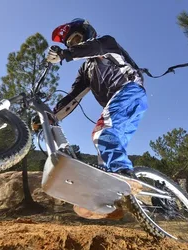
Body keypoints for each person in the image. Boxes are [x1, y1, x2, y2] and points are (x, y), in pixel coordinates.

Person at [44, 18, 148, 219]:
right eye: (70, 44)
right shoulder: (86, 70)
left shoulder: (106, 43)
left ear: (87, 32)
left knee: (102, 132)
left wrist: (65, 54)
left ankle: (125, 178)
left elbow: (94, 48)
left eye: (75, 39)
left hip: (129, 90)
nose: (73, 45)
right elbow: (72, 96)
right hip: (124, 106)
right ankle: (116, 199)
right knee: (106, 151)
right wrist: (51, 116)